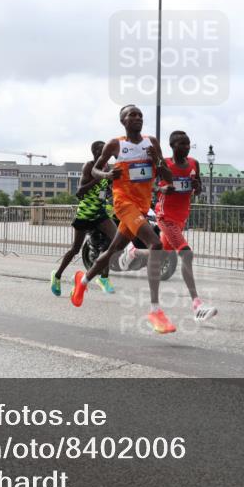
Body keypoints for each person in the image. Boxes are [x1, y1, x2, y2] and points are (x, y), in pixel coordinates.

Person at [70, 105, 175, 334]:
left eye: (140, 115)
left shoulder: (151, 142)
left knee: (113, 250)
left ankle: (83, 281)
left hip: (141, 205)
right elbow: (96, 170)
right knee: (155, 244)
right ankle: (155, 311)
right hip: (123, 203)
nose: (137, 118)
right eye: (132, 115)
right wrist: (108, 174)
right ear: (123, 121)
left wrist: (157, 160)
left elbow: (167, 175)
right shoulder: (115, 144)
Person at [118, 131, 218, 322]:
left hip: (181, 218)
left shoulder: (194, 163)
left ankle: (133, 252)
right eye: (182, 144)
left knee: (161, 255)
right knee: (186, 254)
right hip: (165, 217)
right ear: (172, 146)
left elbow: (198, 189)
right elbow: (145, 184)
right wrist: (161, 188)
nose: (186, 147)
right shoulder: (164, 164)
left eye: (188, 143)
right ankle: (197, 305)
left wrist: (197, 187)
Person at [51, 140, 117, 297]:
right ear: (94, 152)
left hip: (100, 212)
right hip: (85, 213)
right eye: (101, 150)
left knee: (115, 240)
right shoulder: (89, 166)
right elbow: (80, 191)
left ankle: (104, 278)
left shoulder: (107, 168)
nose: (104, 153)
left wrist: (110, 189)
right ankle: (57, 275)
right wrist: (98, 178)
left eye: (106, 151)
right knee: (75, 249)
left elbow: (107, 188)